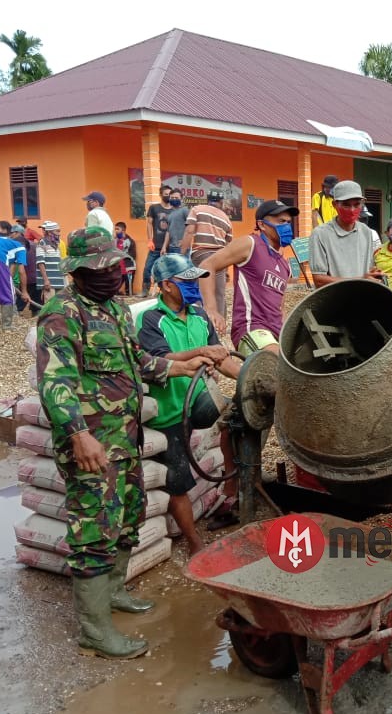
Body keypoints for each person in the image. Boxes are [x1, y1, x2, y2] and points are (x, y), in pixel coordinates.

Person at [36, 228, 211, 660]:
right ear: (77, 271)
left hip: (126, 440)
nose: (114, 273)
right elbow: (55, 384)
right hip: (91, 446)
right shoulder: (62, 314)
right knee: (94, 531)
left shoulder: (115, 308)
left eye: (116, 265)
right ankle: (94, 631)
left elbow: (139, 361)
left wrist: (180, 369)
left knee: (129, 516)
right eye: (103, 267)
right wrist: (79, 435)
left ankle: (114, 593)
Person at [138, 254, 241, 553]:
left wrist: (250, 378)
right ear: (167, 286)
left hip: (199, 401)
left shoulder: (199, 315)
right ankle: (194, 542)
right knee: (178, 477)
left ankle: (232, 493)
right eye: (188, 281)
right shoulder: (151, 320)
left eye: (196, 279)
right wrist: (199, 352)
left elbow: (220, 358)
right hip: (169, 412)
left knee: (240, 416)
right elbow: (159, 360)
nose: (195, 285)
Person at [200, 199, 296, 355]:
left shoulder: (285, 265)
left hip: (276, 334)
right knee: (276, 361)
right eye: (281, 221)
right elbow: (207, 266)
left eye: (288, 222)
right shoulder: (250, 244)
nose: (286, 226)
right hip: (252, 328)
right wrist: (211, 308)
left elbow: (280, 307)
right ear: (262, 225)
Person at [308, 181, 383, 287]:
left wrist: (375, 274)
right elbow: (319, 280)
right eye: (346, 205)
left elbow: (369, 270)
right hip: (335, 300)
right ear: (334, 205)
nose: (352, 210)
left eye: (356, 204)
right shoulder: (320, 235)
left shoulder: (366, 232)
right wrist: (360, 280)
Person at [182, 190, 233, 313]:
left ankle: (200, 320)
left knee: (199, 290)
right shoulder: (226, 219)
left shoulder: (196, 209)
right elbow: (228, 246)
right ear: (221, 202)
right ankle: (219, 326)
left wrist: (182, 255)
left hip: (201, 255)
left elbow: (189, 232)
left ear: (207, 199)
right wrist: (225, 269)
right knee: (219, 294)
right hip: (220, 258)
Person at [143, 185, 173, 296]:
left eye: (170, 194)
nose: (168, 197)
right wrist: (150, 240)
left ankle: (164, 292)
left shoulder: (175, 210)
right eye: (166, 195)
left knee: (167, 271)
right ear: (160, 195)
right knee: (147, 268)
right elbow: (149, 224)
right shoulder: (154, 208)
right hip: (155, 246)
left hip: (169, 247)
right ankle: (144, 290)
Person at [13, 222, 41, 317]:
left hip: (26, 277)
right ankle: (36, 318)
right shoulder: (34, 245)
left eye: (11, 233)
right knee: (36, 301)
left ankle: (16, 315)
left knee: (21, 299)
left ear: (17, 233)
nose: (10, 235)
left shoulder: (18, 246)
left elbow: (19, 266)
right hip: (37, 277)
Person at [35, 221, 67, 302]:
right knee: (50, 306)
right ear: (49, 233)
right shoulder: (42, 243)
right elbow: (40, 263)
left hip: (59, 280)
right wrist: (46, 280)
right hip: (50, 282)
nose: (59, 233)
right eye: (57, 231)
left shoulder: (57, 244)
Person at [163, 188, 189, 255]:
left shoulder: (184, 210)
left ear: (181, 199)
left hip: (181, 247)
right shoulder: (169, 213)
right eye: (172, 197)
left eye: (176, 197)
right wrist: (164, 247)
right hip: (171, 247)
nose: (174, 199)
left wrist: (184, 240)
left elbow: (191, 228)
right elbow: (168, 231)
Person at [114, 222, 137, 296]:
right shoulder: (115, 240)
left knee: (129, 291)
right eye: (115, 229)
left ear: (123, 231)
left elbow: (133, 255)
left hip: (128, 267)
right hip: (118, 268)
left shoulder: (130, 241)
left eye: (118, 229)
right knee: (114, 289)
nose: (116, 231)